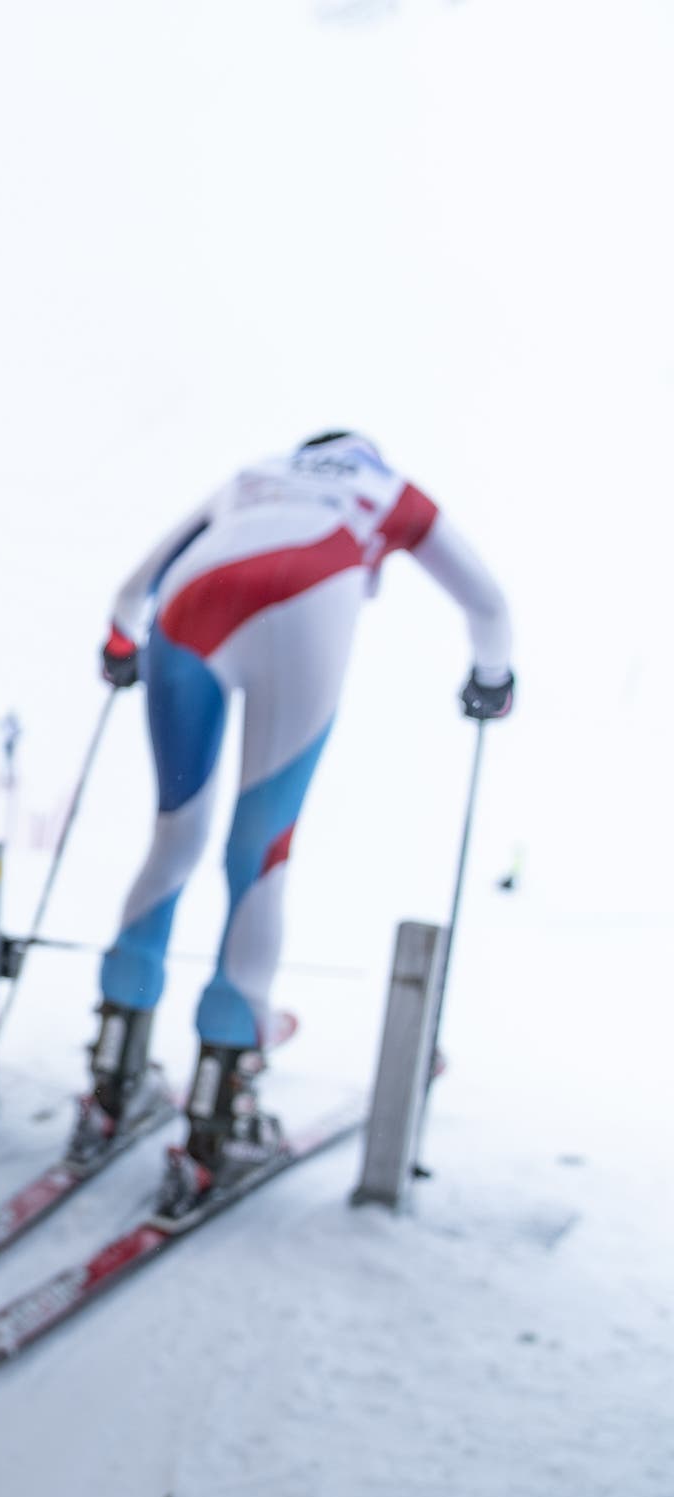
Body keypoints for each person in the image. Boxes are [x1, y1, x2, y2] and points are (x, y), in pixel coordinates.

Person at [76, 431, 514, 1216]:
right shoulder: (387, 490)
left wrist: (118, 645)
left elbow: (133, 587)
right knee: (259, 851)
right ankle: (222, 1097)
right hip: (309, 593)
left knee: (175, 835)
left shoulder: (251, 474)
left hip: (190, 601)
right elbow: (486, 601)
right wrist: (492, 678)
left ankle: (113, 1067)